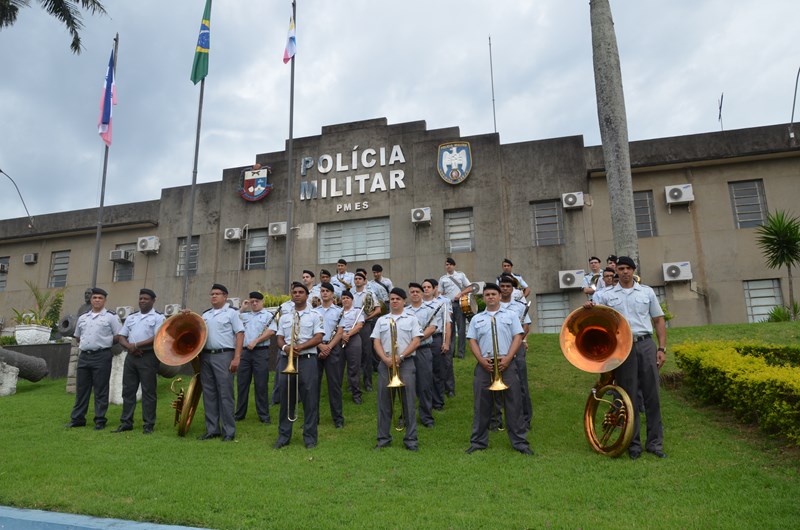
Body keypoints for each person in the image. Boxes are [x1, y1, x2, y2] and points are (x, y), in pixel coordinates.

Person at [587, 256, 667, 460]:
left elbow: (658, 320)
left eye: (628, 268)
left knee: (652, 396)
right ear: (616, 272)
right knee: (627, 396)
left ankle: (655, 444)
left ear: (633, 270)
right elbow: (595, 315)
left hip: (646, 344)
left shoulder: (647, 292)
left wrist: (662, 348)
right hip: (622, 347)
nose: (624, 272)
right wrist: (589, 307)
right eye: (620, 268)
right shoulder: (605, 295)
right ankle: (633, 444)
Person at [465, 283, 532, 455]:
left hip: (506, 363)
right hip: (484, 364)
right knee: (481, 405)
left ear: (499, 296)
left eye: (493, 294)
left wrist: (509, 358)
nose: (490, 297)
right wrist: (481, 360)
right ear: (484, 298)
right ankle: (478, 442)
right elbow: (472, 340)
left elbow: (518, 336)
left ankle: (520, 443)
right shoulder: (476, 318)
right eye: (487, 294)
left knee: (514, 404)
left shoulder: (511, 315)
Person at [371, 288, 423, 451]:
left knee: (408, 403)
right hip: (385, 364)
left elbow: (416, 341)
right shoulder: (382, 320)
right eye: (392, 299)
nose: (394, 301)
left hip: (405, 363)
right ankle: (383, 439)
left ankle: (411, 440)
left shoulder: (411, 319)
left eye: (397, 299)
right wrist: (385, 359)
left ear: (403, 301)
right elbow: (376, 342)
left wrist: (400, 357)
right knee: (384, 403)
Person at [274, 282, 325, 449]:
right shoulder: (285, 316)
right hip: (286, 359)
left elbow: (318, 337)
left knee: (310, 398)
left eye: (300, 292)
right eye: (294, 292)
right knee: (285, 398)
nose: (297, 294)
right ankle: (283, 436)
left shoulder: (315, 315)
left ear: (306, 295)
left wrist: (300, 347)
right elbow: (279, 338)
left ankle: (310, 438)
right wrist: (286, 348)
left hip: (307, 359)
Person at [67, 287, 122, 430]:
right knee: (82, 389)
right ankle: (78, 419)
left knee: (100, 389)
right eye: (95, 297)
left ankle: (100, 420)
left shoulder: (111, 317)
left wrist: (105, 343)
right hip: (85, 356)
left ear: (105, 300)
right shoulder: (83, 318)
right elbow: (78, 336)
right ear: (91, 299)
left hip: (102, 356)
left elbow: (118, 335)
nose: (97, 300)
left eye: (100, 298)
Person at [113, 288, 165, 434]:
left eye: (146, 299)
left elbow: (157, 337)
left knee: (148, 391)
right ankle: (126, 422)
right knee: (128, 390)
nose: (142, 301)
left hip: (148, 357)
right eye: (141, 298)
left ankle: (148, 424)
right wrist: (130, 347)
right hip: (131, 357)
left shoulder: (158, 317)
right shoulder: (131, 317)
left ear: (153, 301)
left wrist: (136, 345)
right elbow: (121, 336)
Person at [197, 284, 243, 442]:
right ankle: (212, 429)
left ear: (225, 296)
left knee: (225, 394)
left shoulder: (232, 313)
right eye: (212, 294)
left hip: (224, 355)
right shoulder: (205, 315)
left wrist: (237, 357)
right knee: (209, 394)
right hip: (206, 356)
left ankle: (229, 431)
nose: (214, 297)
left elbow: (239, 334)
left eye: (217, 294)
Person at [236, 291, 277, 424]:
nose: (254, 303)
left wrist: (256, 341)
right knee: (242, 384)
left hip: (260, 352)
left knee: (261, 385)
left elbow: (271, 331)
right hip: (245, 353)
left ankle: (264, 416)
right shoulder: (244, 315)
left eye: (257, 301)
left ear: (262, 302)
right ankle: (239, 414)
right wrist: (242, 308)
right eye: (252, 301)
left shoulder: (268, 315)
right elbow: (233, 320)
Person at [499, 275, 532, 432]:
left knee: (521, 385)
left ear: (512, 289)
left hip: (517, 348)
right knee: (497, 386)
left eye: (508, 286)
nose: (505, 289)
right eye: (502, 286)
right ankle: (497, 420)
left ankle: (525, 420)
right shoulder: (492, 305)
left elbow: (526, 326)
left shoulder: (520, 305)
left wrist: (517, 343)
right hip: (499, 349)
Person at [406, 282, 438, 428]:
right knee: (407, 385)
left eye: (417, 291)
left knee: (425, 385)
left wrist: (417, 339)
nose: (414, 294)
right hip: (407, 352)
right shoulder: (404, 311)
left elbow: (432, 328)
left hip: (423, 350)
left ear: (422, 293)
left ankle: (427, 417)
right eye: (412, 292)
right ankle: (406, 416)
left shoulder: (429, 310)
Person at [314, 282, 345, 428]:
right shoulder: (314, 311)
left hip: (333, 349)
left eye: (327, 291)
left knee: (334, 385)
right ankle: (313, 418)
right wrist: (320, 346)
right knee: (313, 386)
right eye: (322, 291)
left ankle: (338, 419)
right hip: (316, 348)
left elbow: (340, 332)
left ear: (332, 294)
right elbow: (310, 333)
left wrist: (328, 347)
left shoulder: (339, 311)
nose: (324, 293)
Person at [422, 278, 450, 410]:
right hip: (420, 341)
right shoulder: (417, 305)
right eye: (424, 287)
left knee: (437, 372)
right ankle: (425, 401)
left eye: (428, 287)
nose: (426, 289)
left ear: (434, 289)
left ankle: (438, 402)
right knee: (424, 373)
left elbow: (447, 324)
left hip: (436, 338)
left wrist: (446, 342)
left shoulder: (442, 304)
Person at [439, 257, 473, 359]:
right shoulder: (442, 279)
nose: (448, 266)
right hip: (448, 305)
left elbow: (470, 287)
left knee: (461, 328)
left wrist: (461, 293)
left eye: (450, 264)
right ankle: (451, 351)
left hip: (459, 304)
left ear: (454, 265)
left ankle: (461, 353)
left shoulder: (461, 275)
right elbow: (440, 293)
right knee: (450, 328)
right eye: (446, 265)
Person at [353, 270, 381, 393]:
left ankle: (368, 383)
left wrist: (365, 318)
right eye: (356, 278)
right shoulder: (350, 293)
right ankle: (353, 383)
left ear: (365, 281)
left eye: (360, 278)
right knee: (354, 356)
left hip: (365, 326)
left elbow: (378, 310)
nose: (357, 280)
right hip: (352, 327)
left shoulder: (369, 294)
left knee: (367, 354)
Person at [337, 290, 365, 404]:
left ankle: (356, 394)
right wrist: (342, 335)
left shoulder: (357, 311)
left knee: (354, 367)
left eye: (347, 298)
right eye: (343, 298)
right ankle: (336, 393)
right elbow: (335, 326)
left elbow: (359, 325)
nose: (345, 300)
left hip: (353, 339)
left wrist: (348, 334)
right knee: (338, 367)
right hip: (339, 339)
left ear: (352, 299)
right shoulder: (338, 312)